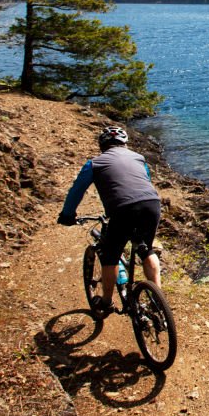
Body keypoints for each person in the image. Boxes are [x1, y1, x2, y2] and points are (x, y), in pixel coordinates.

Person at [58, 125, 162, 316]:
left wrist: (67, 215)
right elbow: (145, 179)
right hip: (152, 204)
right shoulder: (139, 158)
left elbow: (76, 191)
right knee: (146, 249)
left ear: (102, 145)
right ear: (125, 143)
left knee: (110, 255)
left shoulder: (94, 163)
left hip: (123, 210)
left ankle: (106, 302)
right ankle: (158, 300)